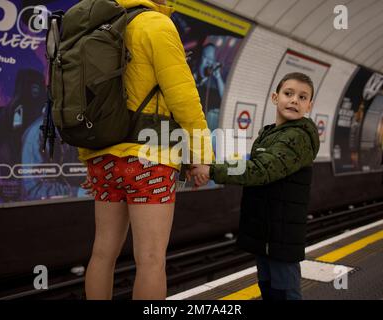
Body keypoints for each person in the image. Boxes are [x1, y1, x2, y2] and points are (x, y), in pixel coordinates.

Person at [78, 0, 211, 300]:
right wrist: (202, 155)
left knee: (101, 254)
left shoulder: (102, 27)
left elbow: (82, 101)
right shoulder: (157, 25)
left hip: (104, 159)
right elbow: (184, 97)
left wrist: (87, 156)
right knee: (151, 259)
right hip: (149, 159)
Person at [190, 72, 320, 300]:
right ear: (274, 97)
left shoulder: (297, 137)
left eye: (302, 97)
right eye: (288, 93)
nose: (294, 100)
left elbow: (260, 170)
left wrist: (210, 170)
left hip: (281, 234)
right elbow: (253, 166)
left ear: (309, 105)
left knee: (285, 292)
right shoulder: (270, 134)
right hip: (267, 230)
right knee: (268, 288)